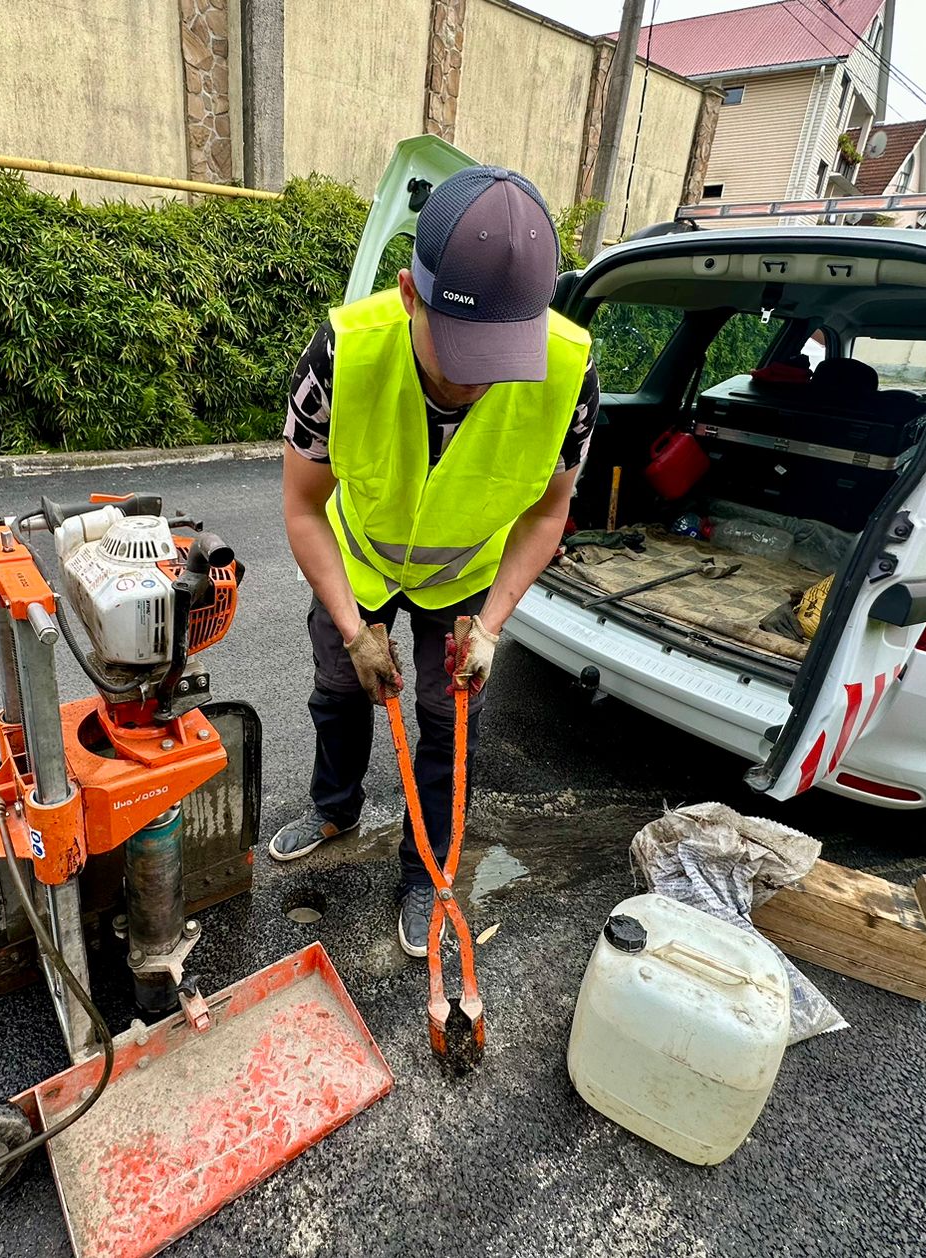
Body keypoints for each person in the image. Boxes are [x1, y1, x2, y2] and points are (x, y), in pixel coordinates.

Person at [270, 165, 600, 956]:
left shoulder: (569, 371)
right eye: (461, 352)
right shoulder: (343, 354)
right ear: (409, 293)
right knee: (341, 691)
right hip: (362, 560)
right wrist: (354, 627)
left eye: (497, 355)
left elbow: (549, 511)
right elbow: (302, 507)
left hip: (464, 577)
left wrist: (490, 624)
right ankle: (334, 807)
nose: (476, 381)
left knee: (452, 724)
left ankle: (429, 871)